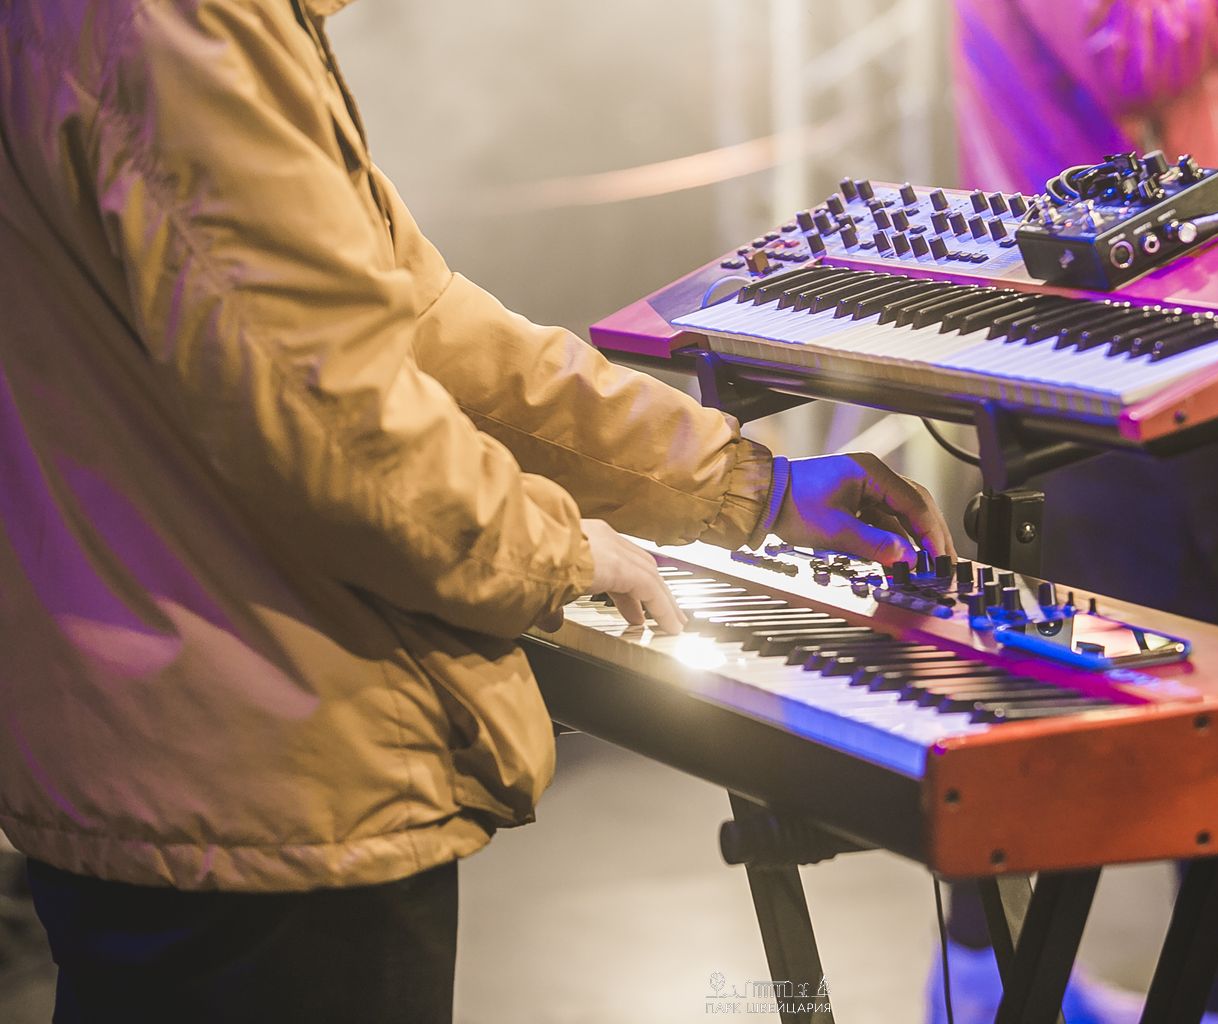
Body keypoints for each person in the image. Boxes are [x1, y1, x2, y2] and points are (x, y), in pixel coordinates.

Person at [0, 0, 954, 1020]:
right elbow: (341, 426)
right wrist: (557, 550)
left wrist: (746, 486)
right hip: (270, 783)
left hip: (163, 748)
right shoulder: (189, 23)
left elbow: (423, 330)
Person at [934, 2, 1218, 1023]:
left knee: (1046, 654)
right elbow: (1127, 53)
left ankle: (984, 969)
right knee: (1213, 652)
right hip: (1116, 310)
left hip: (1097, 298)